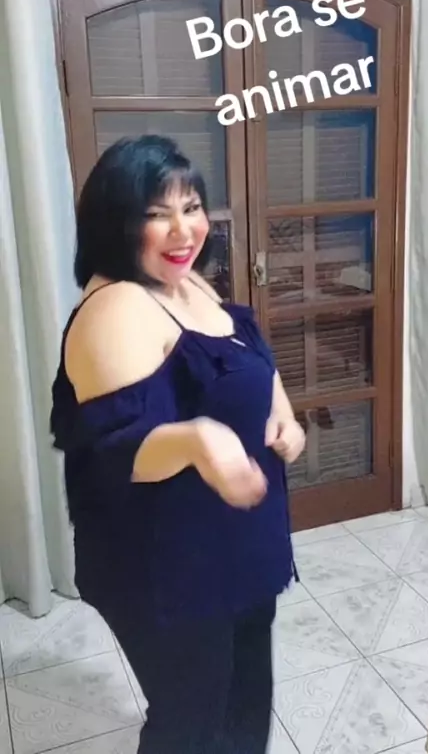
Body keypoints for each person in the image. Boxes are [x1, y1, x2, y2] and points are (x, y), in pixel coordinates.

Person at [50, 135, 305, 754]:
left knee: (244, 705)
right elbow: (111, 453)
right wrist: (196, 439)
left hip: (236, 546)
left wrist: (283, 412)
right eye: (156, 213)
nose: (182, 230)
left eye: (191, 207)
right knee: (191, 725)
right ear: (115, 222)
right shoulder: (116, 306)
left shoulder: (186, 285)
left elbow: (241, 353)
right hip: (167, 567)